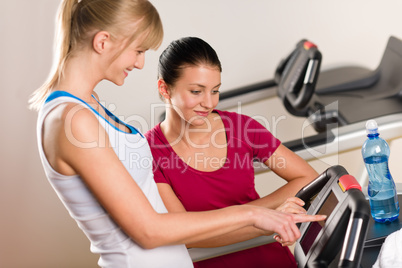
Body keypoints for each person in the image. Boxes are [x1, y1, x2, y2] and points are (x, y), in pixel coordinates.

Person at [30, 1, 325, 267]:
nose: (140, 62)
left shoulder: (89, 105)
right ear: (103, 41)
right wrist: (253, 215)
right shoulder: (72, 119)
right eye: (139, 50)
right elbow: (148, 231)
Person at [145, 36, 321, 268]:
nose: (209, 103)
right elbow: (184, 235)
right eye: (197, 91)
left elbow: (307, 177)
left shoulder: (242, 128)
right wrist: (265, 219)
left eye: (215, 91)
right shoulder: (149, 151)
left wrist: (273, 216)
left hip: (270, 259)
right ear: (164, 88)